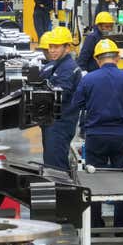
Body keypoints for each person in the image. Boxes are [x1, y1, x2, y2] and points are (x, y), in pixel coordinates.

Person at [71, 39, 123, 229]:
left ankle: (95, 225)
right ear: (118, 58)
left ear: (97, 60)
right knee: (121, 180)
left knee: (94, 180)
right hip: (122, 136)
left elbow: (76, 104)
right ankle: (122, 227)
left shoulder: (88, 79)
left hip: (96, 136)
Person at [40, 26, 82, 170]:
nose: (52, 50)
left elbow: (59, 95)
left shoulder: (68, 68)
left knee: (55, 167)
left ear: (67, 48)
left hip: (60, 124)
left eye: (56, 47)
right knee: (51, 162)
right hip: (53, 123)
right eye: (50, 46)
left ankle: (61, 190)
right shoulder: (57, 65)